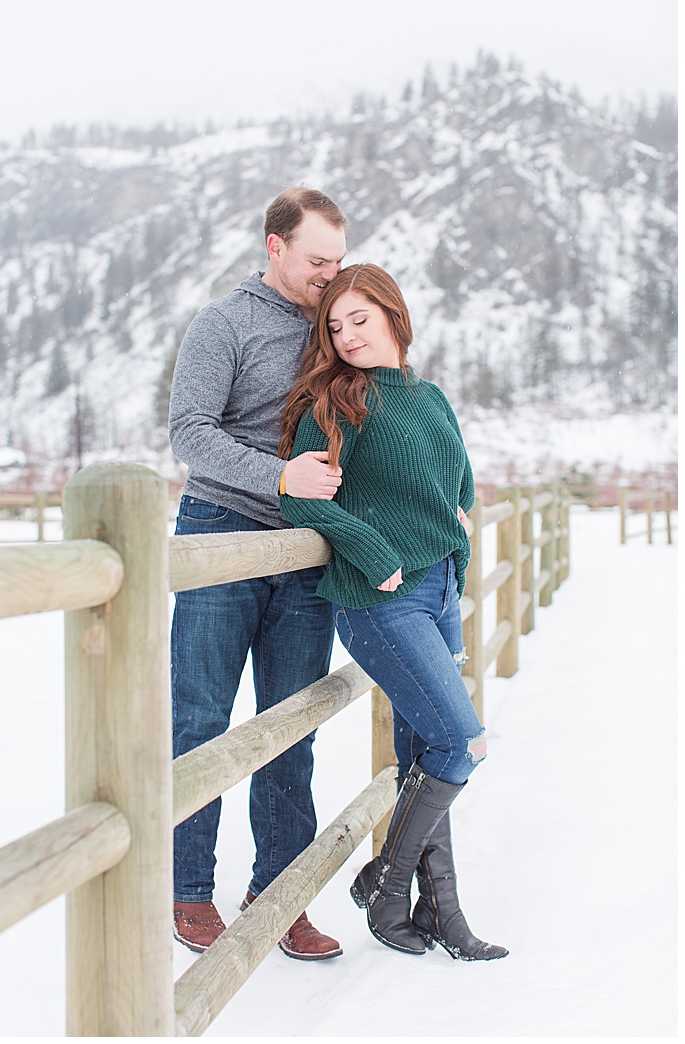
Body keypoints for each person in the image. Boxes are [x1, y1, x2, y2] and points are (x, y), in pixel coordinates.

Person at [277, 263, 507, 961]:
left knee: (422, 753)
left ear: (394, 318)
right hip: (382, 599)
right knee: (462, 743)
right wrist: (374, 553)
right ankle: (384, 882)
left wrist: (457, 563)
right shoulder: (331, 402)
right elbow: (302, 497)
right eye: (336, 326)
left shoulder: (429, 397)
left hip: (436, 594)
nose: (347, 336)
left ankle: (440, 914)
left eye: (361, 320)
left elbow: (457, 491)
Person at [167, 187, 349, 960]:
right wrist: (279, 477)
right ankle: (188, 890)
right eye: (316, 261)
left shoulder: (340, 325)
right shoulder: (223, 324)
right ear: (273, 246)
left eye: (337, 261)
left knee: (291, 727)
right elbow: (190, 434)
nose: (328, 275)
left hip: (307, 547)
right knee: (203, 720)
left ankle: (281, 893)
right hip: (220, 535)